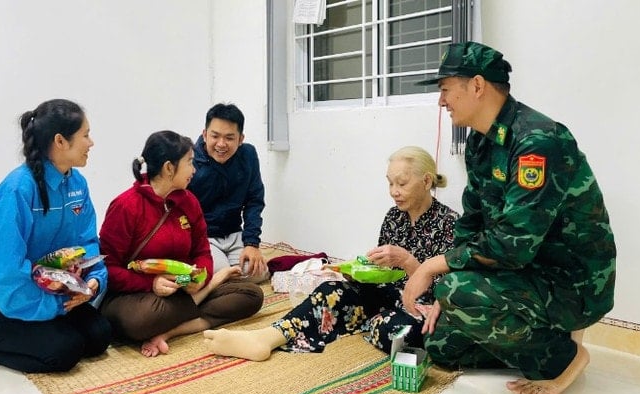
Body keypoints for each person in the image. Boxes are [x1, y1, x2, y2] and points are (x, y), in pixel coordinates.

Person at [404, 41, 616, 394]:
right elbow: (472, 220)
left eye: (445, 90)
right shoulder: (481, 143)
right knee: (440, 344)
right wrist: (450, 276)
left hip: (570, 283)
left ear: (476, 86)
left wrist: (433, 268)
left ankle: (566, 357)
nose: (441, 102)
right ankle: (537, 339)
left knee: (455, 292)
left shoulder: (539, 141)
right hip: (523, 271)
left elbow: (513, 244)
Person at [204, 146, 458, 361]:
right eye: (390, 183)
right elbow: (383, 274)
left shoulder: (449, 223)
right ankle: (266, 337)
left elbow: (446, 291)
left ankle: (365, 320)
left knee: (398, 330)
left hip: (422, 308)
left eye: (401, 183)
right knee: (330, 291)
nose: (394, 191)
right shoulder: (394, 217)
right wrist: (353, 271)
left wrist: (408, 261)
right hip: (388, 297)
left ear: (426, 181)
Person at [0, 99, 112, 373]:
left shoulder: (76, 184)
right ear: (61, 141)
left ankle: (40, 328)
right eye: (85, 135)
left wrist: (94, 282)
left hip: (49, 291)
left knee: (99, 337)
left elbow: (87, 243)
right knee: (65, 351)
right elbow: (5, 274)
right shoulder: (17, 190)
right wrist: (57, 305)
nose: (91, 143)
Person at [99, 130, 264, 357]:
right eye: (189, 162)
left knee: (251, 295)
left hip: (180, 289)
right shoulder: (126, 206)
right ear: (169, 168)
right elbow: (108, 268)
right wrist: (152, 284)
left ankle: (170, 331)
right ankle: (209, 291)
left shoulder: (189, 202)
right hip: (136, 295)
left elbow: (202, 253)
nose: (194, 170)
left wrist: (198, 279)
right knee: (141, 320)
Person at [187, 103, 269, 283]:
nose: (221, 144)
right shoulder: (189, 160)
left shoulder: (248, 155)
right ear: (205, 134)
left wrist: (251, 244)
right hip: (202, 237)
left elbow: (254, 201)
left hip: (233, 234)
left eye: (229, 138)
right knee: (221, 274)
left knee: (256, 273)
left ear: (241, 139)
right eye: (215, 136)